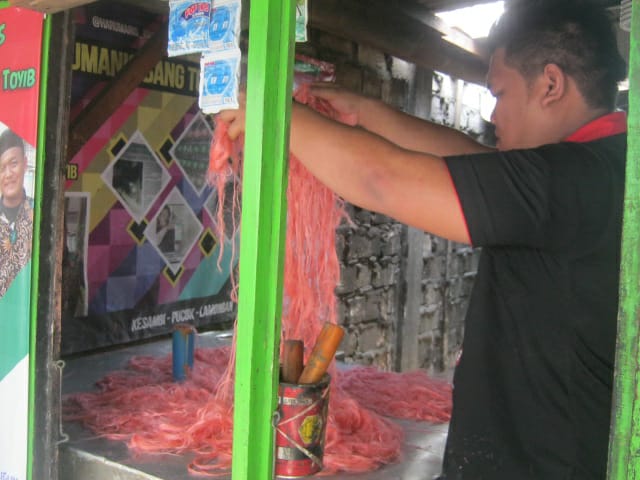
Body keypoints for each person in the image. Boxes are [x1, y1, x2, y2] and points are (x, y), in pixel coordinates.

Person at [219, 0, 627, 478]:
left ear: (551, 84)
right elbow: (471, 159)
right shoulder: (603, 164)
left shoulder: (573, 180)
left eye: (499, 93)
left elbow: (381, 180)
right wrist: (366, 111)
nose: (493, 115)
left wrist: (268, 111)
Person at [0, 128, 34, 298]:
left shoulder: (40, 214)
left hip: (29, 312)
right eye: (1, 168)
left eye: (14, 164)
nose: (8, 174)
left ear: (25, 163)